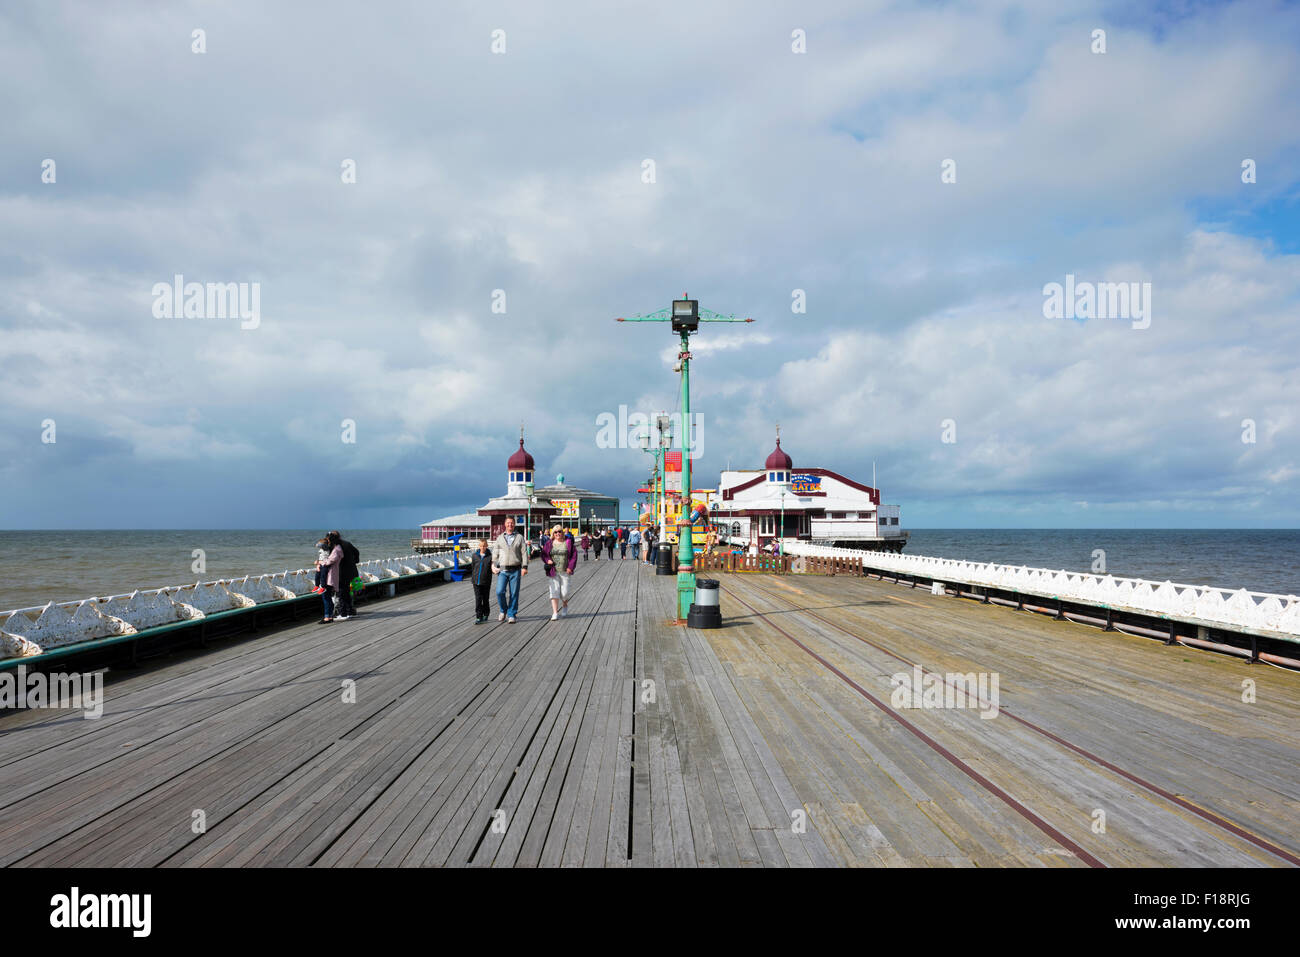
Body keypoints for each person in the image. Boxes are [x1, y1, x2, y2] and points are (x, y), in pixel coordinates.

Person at [491, 516, 529, 623]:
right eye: (508, 523)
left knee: (514, 593)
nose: (510, 525)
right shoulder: (500, 538)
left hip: (515, 569)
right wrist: (493, 565)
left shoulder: (519, 537)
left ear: (514, 524)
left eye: (512, 523)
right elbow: (495, 553)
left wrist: (524, 567)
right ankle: (503, 610)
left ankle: (512, 614)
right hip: (502, 570)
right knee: (499, 591)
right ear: (505, 524)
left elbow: (524, 553)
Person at [541, 525, 577, 620]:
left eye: (559, 531)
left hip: (565, 571)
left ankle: (565, 604)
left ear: (563, 532)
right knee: (554, 591)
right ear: (553, 533)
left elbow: (574, 555)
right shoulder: (549, 543)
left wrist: (570, 567)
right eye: (556, 532)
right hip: (553, 571)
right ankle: (555, 612)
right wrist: (548, 560)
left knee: (564, 593)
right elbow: (544, 554)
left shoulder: (568, 542)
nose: (558, 534)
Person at [317, 531, 344, 623]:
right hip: (330, 575)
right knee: (327, 596)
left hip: (330, 576)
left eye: (328, 540)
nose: (327, 542)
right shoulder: (337, 549)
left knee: (326, 596)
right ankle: (330, 616)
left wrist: (320, 562)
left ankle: (327, 617)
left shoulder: (336, 550)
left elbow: (329, 561)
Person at [334, 531, 360, 620]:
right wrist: (355, 561)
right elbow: (357, 552)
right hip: (352, 572)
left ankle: (343, 613)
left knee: (341, 593)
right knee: (349, 592)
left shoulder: (336, 546)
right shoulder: (347, 543)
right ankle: (350, 611)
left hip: (341, 573)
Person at [469, 538, 493, 623]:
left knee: (485, 598)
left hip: (486, 581)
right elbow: (473, 567)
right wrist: (473, 577)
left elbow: (492, 568)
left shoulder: (490, 556)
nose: (482, 547)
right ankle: (478, 616)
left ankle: (486, 613)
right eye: (481, 546)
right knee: (478, 599)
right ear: (478, 546)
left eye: (484, 546)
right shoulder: (474, 556)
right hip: (476, 581)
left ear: (487, 546)